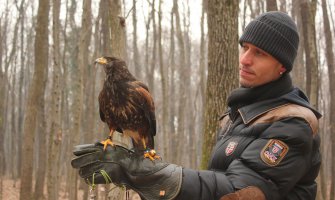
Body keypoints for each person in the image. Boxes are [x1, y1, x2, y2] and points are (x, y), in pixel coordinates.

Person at [72, 11, 322, 200]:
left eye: (260, 53)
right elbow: (216, 181)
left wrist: (154, 174)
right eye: (244, 48)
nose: (245, 59)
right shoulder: (238, 115)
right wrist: (150, 178)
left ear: (282, 67)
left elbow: (241, 191)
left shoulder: (293, 123)